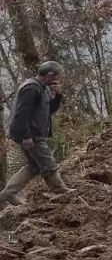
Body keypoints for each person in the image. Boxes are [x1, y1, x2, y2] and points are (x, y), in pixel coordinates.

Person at [0, 61, 74, 209]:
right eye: (57, 76)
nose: (59, 79)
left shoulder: (41, 88)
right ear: (50, 75)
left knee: (34, 166)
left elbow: (48, 111)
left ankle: (7, 194)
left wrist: (57, 95)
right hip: (31, 134)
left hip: (32, 132)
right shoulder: (31, 89)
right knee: (48, 163)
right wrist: (26, 136)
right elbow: (21, 114)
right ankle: (61, 191)